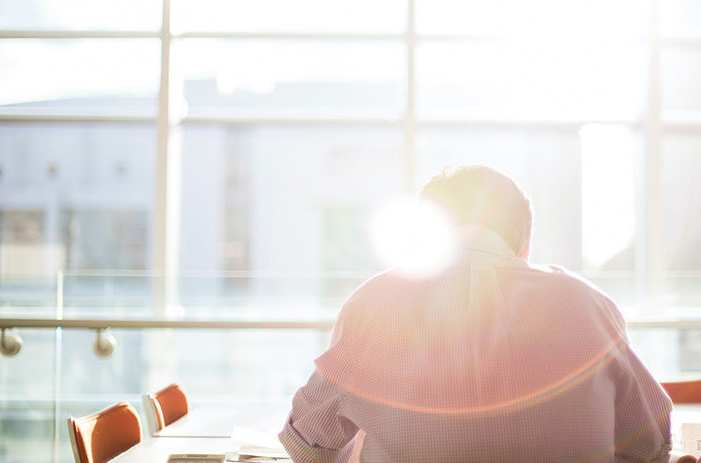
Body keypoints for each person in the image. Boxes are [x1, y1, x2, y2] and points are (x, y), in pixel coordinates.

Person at [279, 165, 672, 463]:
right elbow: (651, 443)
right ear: (525, 242)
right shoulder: (588, 304)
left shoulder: (374, 303)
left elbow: (308, 445)